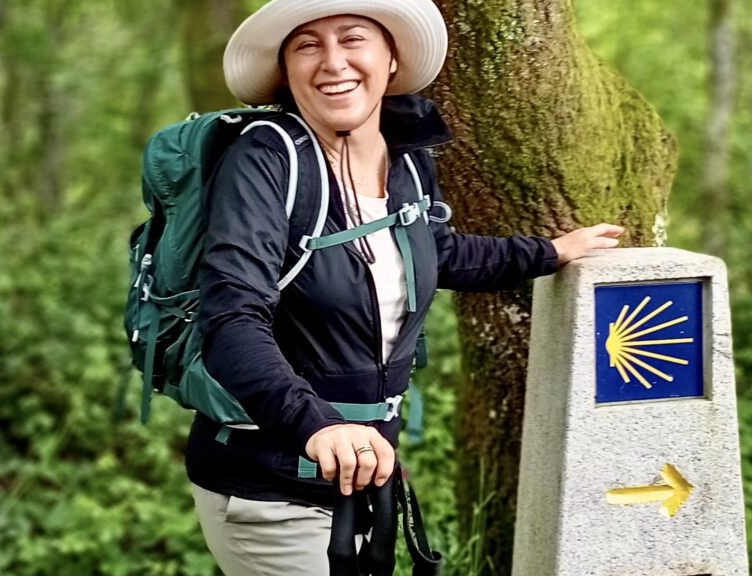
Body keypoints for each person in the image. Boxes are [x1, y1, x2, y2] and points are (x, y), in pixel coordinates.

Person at [186, 0, 625, 574]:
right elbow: (229, 319)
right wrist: (315, 425)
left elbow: (435, 253)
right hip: (269, 491)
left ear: (390, 57)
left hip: (362, 479)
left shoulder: (407, 161)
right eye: (307, 45)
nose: (333, 62)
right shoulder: (268, 160)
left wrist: (550, 252)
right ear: (286, 71)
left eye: (353, 39)